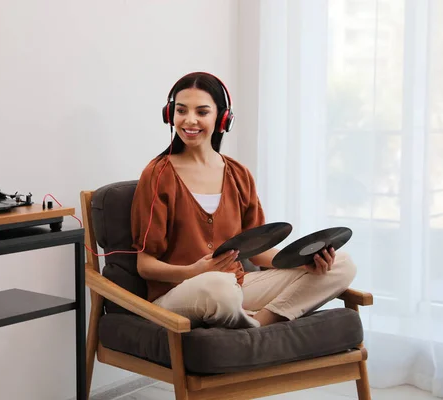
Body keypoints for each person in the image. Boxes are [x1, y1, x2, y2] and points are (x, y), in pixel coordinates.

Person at [130, 72, 356, 329]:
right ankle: (242, 319)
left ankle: (258, 323)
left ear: (222, 118)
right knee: (217, 286)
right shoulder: (158, 175)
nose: (189, 120)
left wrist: (304, 263)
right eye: (181, 111)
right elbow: (145, 265)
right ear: (170, 115)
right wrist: (194, 271)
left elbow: (258, 252)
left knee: (342, 264)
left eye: (202, 112)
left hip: (235, 286)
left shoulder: (238, 174)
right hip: (181, 293)